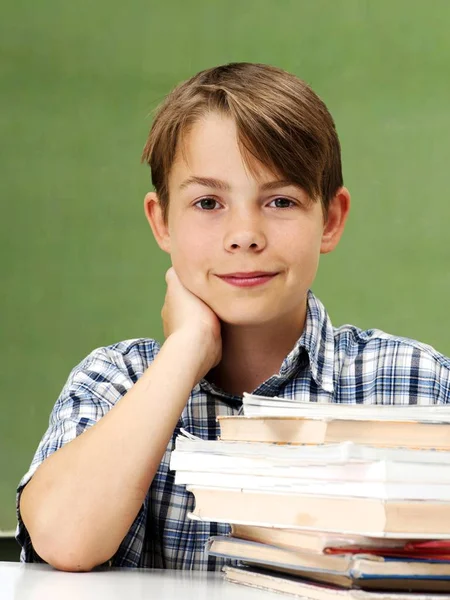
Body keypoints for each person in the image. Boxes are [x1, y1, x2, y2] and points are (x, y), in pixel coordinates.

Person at [16, 62, 450, 573]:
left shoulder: (418, 386)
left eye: (280, 200)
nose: (244, 234)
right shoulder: (114, 384)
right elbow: (66, 540)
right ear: (162, 222)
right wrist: (186, 349)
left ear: (330, 220)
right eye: (208, 202)